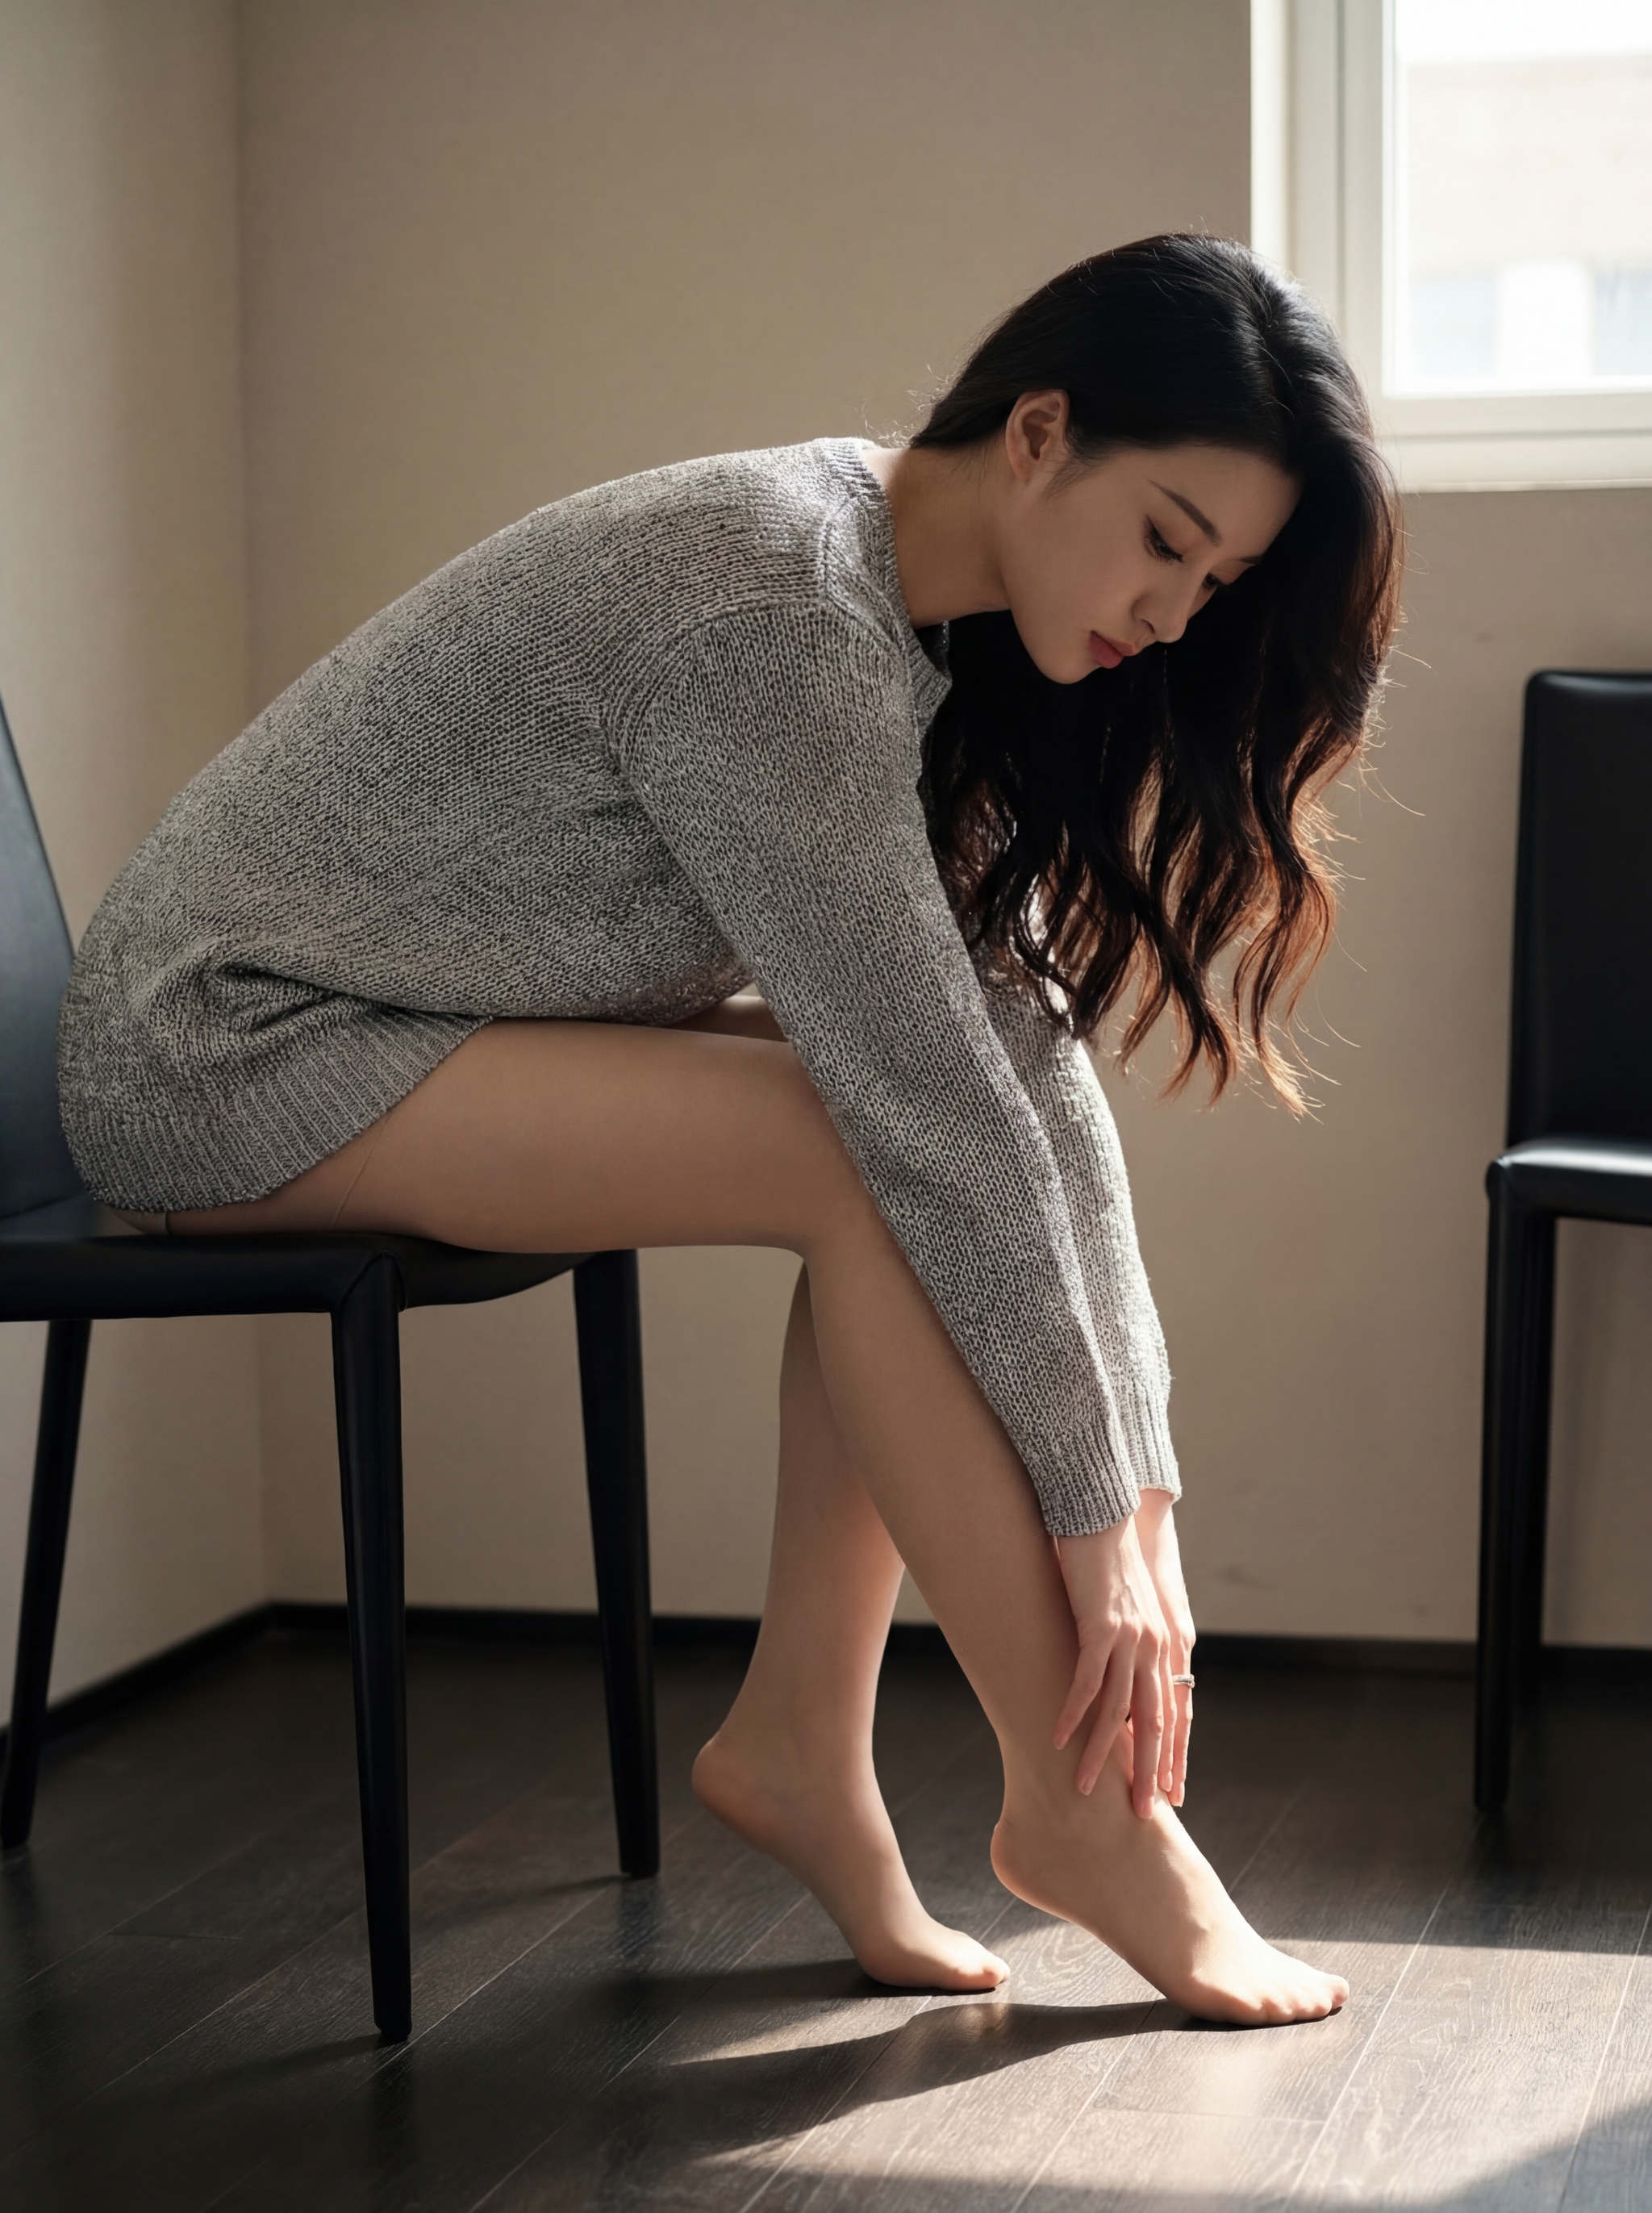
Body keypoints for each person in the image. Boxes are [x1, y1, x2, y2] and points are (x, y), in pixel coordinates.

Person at [58, 234, 1400, 2026]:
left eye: (1213, 581)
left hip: (410, 1020)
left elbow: (1024, 1060)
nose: (1174, 612)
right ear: (1040, 431)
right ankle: (1096, 1817)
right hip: (222, 1046)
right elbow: (928, 1118)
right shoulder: (778, 610)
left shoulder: (922, 628)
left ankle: (800, 1748)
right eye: (1166, 537)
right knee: (860, 1143)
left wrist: (1136, 1488)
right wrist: (1089, 1525)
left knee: (884, 1118)